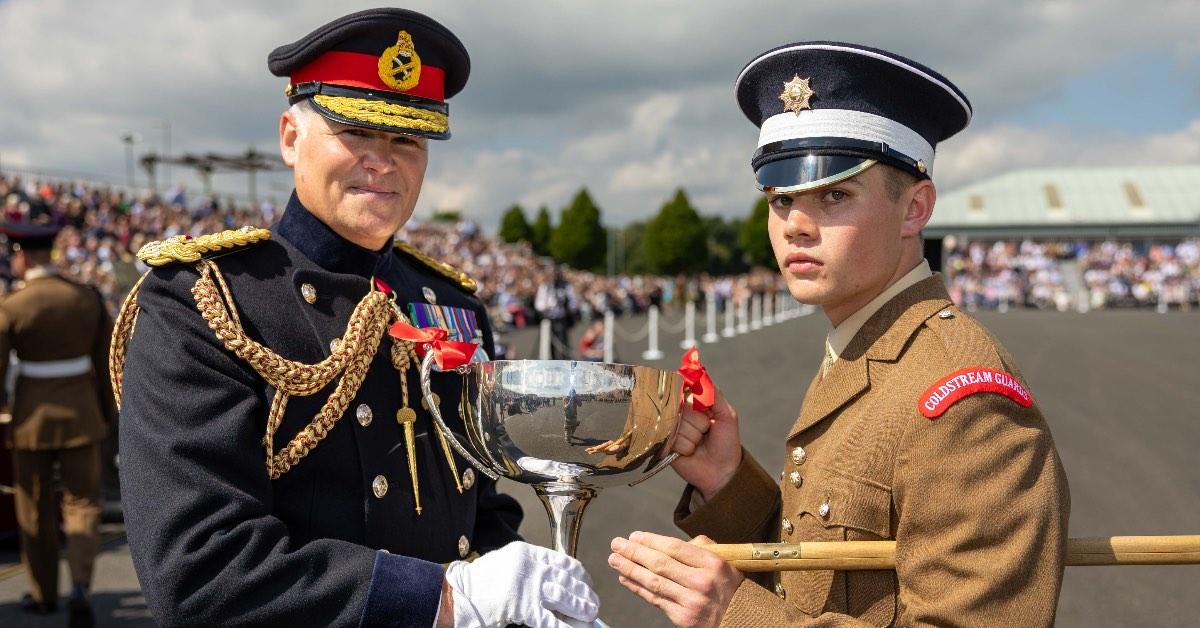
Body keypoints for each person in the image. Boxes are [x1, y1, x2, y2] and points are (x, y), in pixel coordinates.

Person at [114, 9, 598, 628]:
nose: (384, 161)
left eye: (407, 140)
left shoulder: (450, 304)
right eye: (355, 132)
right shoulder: (205, 300)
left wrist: (529, 592)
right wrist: (449, 598)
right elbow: (200, 569)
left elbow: (477, 507)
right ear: (290, 137)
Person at [608, 42, 1070, 627]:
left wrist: (737, 614)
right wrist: (726, 482)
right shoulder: (873, 348)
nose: (796, 225)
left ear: (915, 209)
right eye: (781, 199)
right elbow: (823, 578)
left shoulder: (963, 398)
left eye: (835, 195)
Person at [0, 223, 116, 628]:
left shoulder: (12, 306)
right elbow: (105, 368)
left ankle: (44, 595)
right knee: (83, 504)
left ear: (21, 255)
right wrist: (107, 416)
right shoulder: (85, 298)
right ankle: (81, 585)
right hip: (83, 417)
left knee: (33, 510)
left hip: (31, 420)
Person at [535, 267, 577, 359]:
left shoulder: (566, 287)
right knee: (549, 345)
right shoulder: (544, 287)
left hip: (562, 319)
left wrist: (566, 304)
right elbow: (539, 305)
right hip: (548, 320)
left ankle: (564, 363)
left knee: (563, 343)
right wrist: (547, 306)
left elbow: (573, 304)